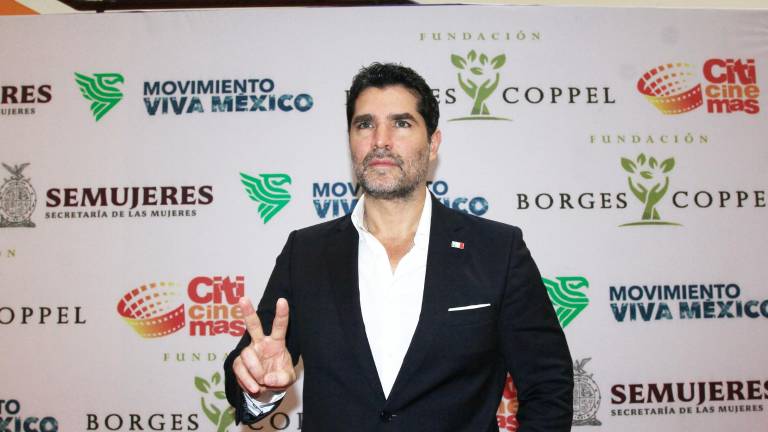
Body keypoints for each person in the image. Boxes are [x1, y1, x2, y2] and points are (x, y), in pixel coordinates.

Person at [224, 63, 573, 431]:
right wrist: (259, 386)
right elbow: (249, 370)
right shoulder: (306, 252)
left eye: (401, 123)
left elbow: (549, 385)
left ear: (433, 143)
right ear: (350, 140)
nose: (380, 141)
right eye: (365, 124)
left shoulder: (497, 251)